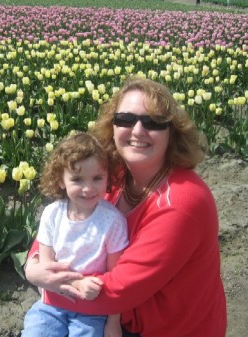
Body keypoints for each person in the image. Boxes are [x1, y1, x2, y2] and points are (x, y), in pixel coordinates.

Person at [24, 75, 227, 337]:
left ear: (172, 133)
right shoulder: (111, 174)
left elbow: (120, 290)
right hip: (109, 312)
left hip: (166, 329)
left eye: (153, 122)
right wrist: (34, 265)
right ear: (112, 125)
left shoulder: (182, 202)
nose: (138, 131)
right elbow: (61, 218)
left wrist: (51, 286)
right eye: (126, 119)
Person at [21, 132, 128, 337]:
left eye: (97, 178)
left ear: (107, 177)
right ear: (61, 180)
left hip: (93, 309)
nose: (88, 188)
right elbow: (47, 270)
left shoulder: (113, 222)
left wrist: (114, 322)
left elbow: (116, 277)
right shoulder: (52, 214)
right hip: (52, 304)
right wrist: (76, 283)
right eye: (77, 179)